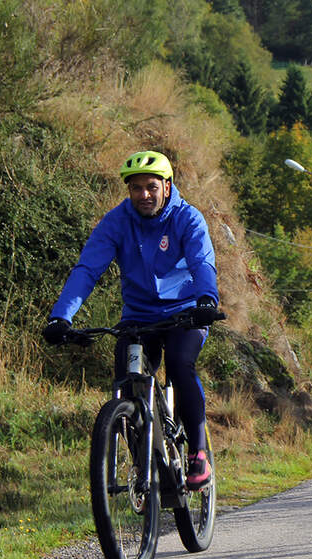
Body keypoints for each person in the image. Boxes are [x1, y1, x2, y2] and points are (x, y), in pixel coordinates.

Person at [42, 150, 221, 489]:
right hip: (138, 316)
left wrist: (206, 300)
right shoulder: (117, 222)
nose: (144, 195)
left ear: (167, 187)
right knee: (126, 379)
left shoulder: (188, 218)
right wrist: (60, 318)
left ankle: (197, 451)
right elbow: (87, 270)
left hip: (185, 313)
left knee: (181, 365)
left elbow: (201, 263)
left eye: (151, 187)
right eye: (136, 188)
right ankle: (143, 462)